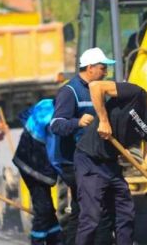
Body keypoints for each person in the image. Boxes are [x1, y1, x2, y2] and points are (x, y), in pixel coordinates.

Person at [74, 71, 147, 245]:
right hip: (90, 159)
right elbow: (96, 87)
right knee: (91, 217)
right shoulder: (134, 93)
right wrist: (103, 120)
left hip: (111, 164)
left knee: (125, 213)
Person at [49, 47, 116, 245]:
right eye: (103, 68)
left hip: (92, 159)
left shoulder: (98, 90)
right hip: (73, 162)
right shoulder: (70, 92)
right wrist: (77, 122)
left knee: (81, 211)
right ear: (89, 68)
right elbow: (55, 125)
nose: (105, 72)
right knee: (98, 207)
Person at [13, 98, 62, 245]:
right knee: (43, 211)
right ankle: (37, 241)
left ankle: (56, 240)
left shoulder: (45, 103)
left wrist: (32, 131)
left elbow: (23, 115)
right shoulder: (56, 123)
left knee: (47, 209)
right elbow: (56, 155)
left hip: (23, 159)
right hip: (35, 168)